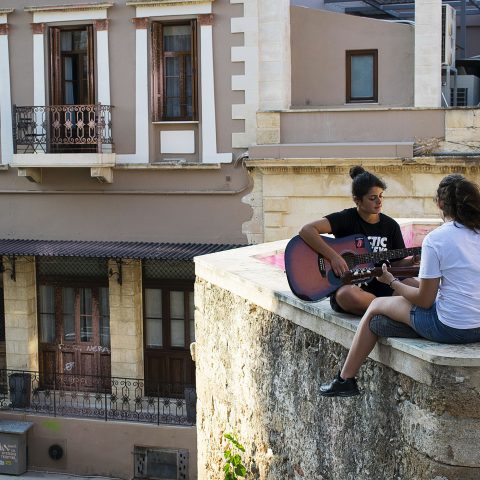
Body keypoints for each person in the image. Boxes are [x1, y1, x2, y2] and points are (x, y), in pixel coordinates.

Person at [320, 173, 480, 397]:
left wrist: (392, 281)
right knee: (383, 320)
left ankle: (345, 379)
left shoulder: (437, 239)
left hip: (451, 328)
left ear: (441, 204)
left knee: (376, 309)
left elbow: (424, 300)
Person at [299, 165, 417, 316]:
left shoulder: (390, 226)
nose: (379, 201)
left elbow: (396, 263)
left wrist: (412, 260)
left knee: (415, 286)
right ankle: (388, 308)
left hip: (383, 284)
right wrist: (334, 257)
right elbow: (307, 230)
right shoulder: (346, 219)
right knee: (345, 295)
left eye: (381, 196)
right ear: (357, 200)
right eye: (373, 198)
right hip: (351, 286)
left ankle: (381, 308)